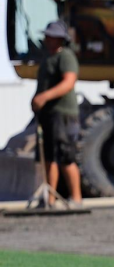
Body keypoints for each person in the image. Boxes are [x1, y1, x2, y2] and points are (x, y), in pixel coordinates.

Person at [31, 20, 83, 207]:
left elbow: (68, 82)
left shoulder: (66, 57)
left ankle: (76, 199)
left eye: (50, 36)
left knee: (66, 156)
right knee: (49, 157)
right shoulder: (47, 58)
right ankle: (49, 199)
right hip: (49, 115)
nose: (46, 39)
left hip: (63, 114)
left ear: (59, 39)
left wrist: (44, 97)